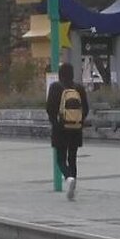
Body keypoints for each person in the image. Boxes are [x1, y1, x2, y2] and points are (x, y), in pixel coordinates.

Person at [46, 62, 89, 201]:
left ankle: (68, 178)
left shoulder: (55, 87)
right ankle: (73, 186)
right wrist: (79, 122)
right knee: (72, 158)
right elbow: (86, 109)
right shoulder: (79, 88)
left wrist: (55, 122)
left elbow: (50, 108)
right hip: (75, 128)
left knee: (60, 159)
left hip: (60, 128)